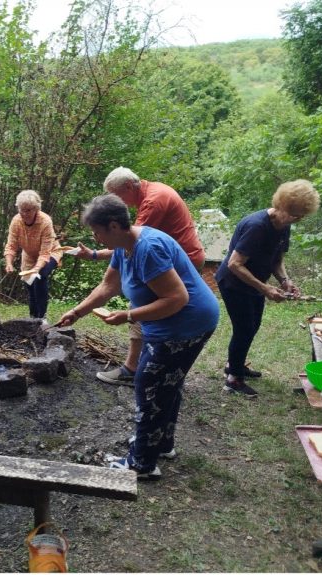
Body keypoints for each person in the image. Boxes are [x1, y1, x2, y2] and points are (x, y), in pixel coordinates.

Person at [57, 195, 218, 479]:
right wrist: (77, 312)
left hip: (185, 325)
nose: (95, 237)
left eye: (97, 231)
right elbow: (108, 286)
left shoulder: (147, 249)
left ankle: (142, 463)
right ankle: (161, 444)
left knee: (149, 386)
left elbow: (177, 298)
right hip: (175, 324)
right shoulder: (123, 245)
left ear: (115, 225)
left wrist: (128, 316)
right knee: (168, 383)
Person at [75, 167, 206, 387]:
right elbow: (110, 281)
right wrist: (78, 312)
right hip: (172, 259)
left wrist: (127, 315)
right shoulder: (148, 197)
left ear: (128, 187)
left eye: (116, 197)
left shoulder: (154, 204)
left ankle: (142, 368)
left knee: (152, 307)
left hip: (181, 260)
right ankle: (149, 368)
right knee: (145, 305)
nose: (119, 205)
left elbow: (129, 241)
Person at [215, 180, 320, 397]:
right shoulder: (257, 226)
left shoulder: (283, 226)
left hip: (253, 284)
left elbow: (277, 258)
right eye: (293, 214)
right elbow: (234, 264)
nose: (296, 219)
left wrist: (284, 281)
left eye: (300, 216)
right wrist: (265, 288)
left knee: (253, 325)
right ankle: (233, 380)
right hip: (233, 283)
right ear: (280, 204)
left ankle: (235, 364)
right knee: (244, 329)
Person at [4, 190, 64, 320]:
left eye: (28, 210)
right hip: (29, 255)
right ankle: (32, 317)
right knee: (29, 285)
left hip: (51, 252)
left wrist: (37, 268)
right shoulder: (16, 221)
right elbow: (11, 245)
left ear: (36, 209)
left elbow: (45, 252)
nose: (24, 213)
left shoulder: (45, 221)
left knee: (40, 277)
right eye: (22, 210)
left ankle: (42, 318)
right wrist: (9, 263)